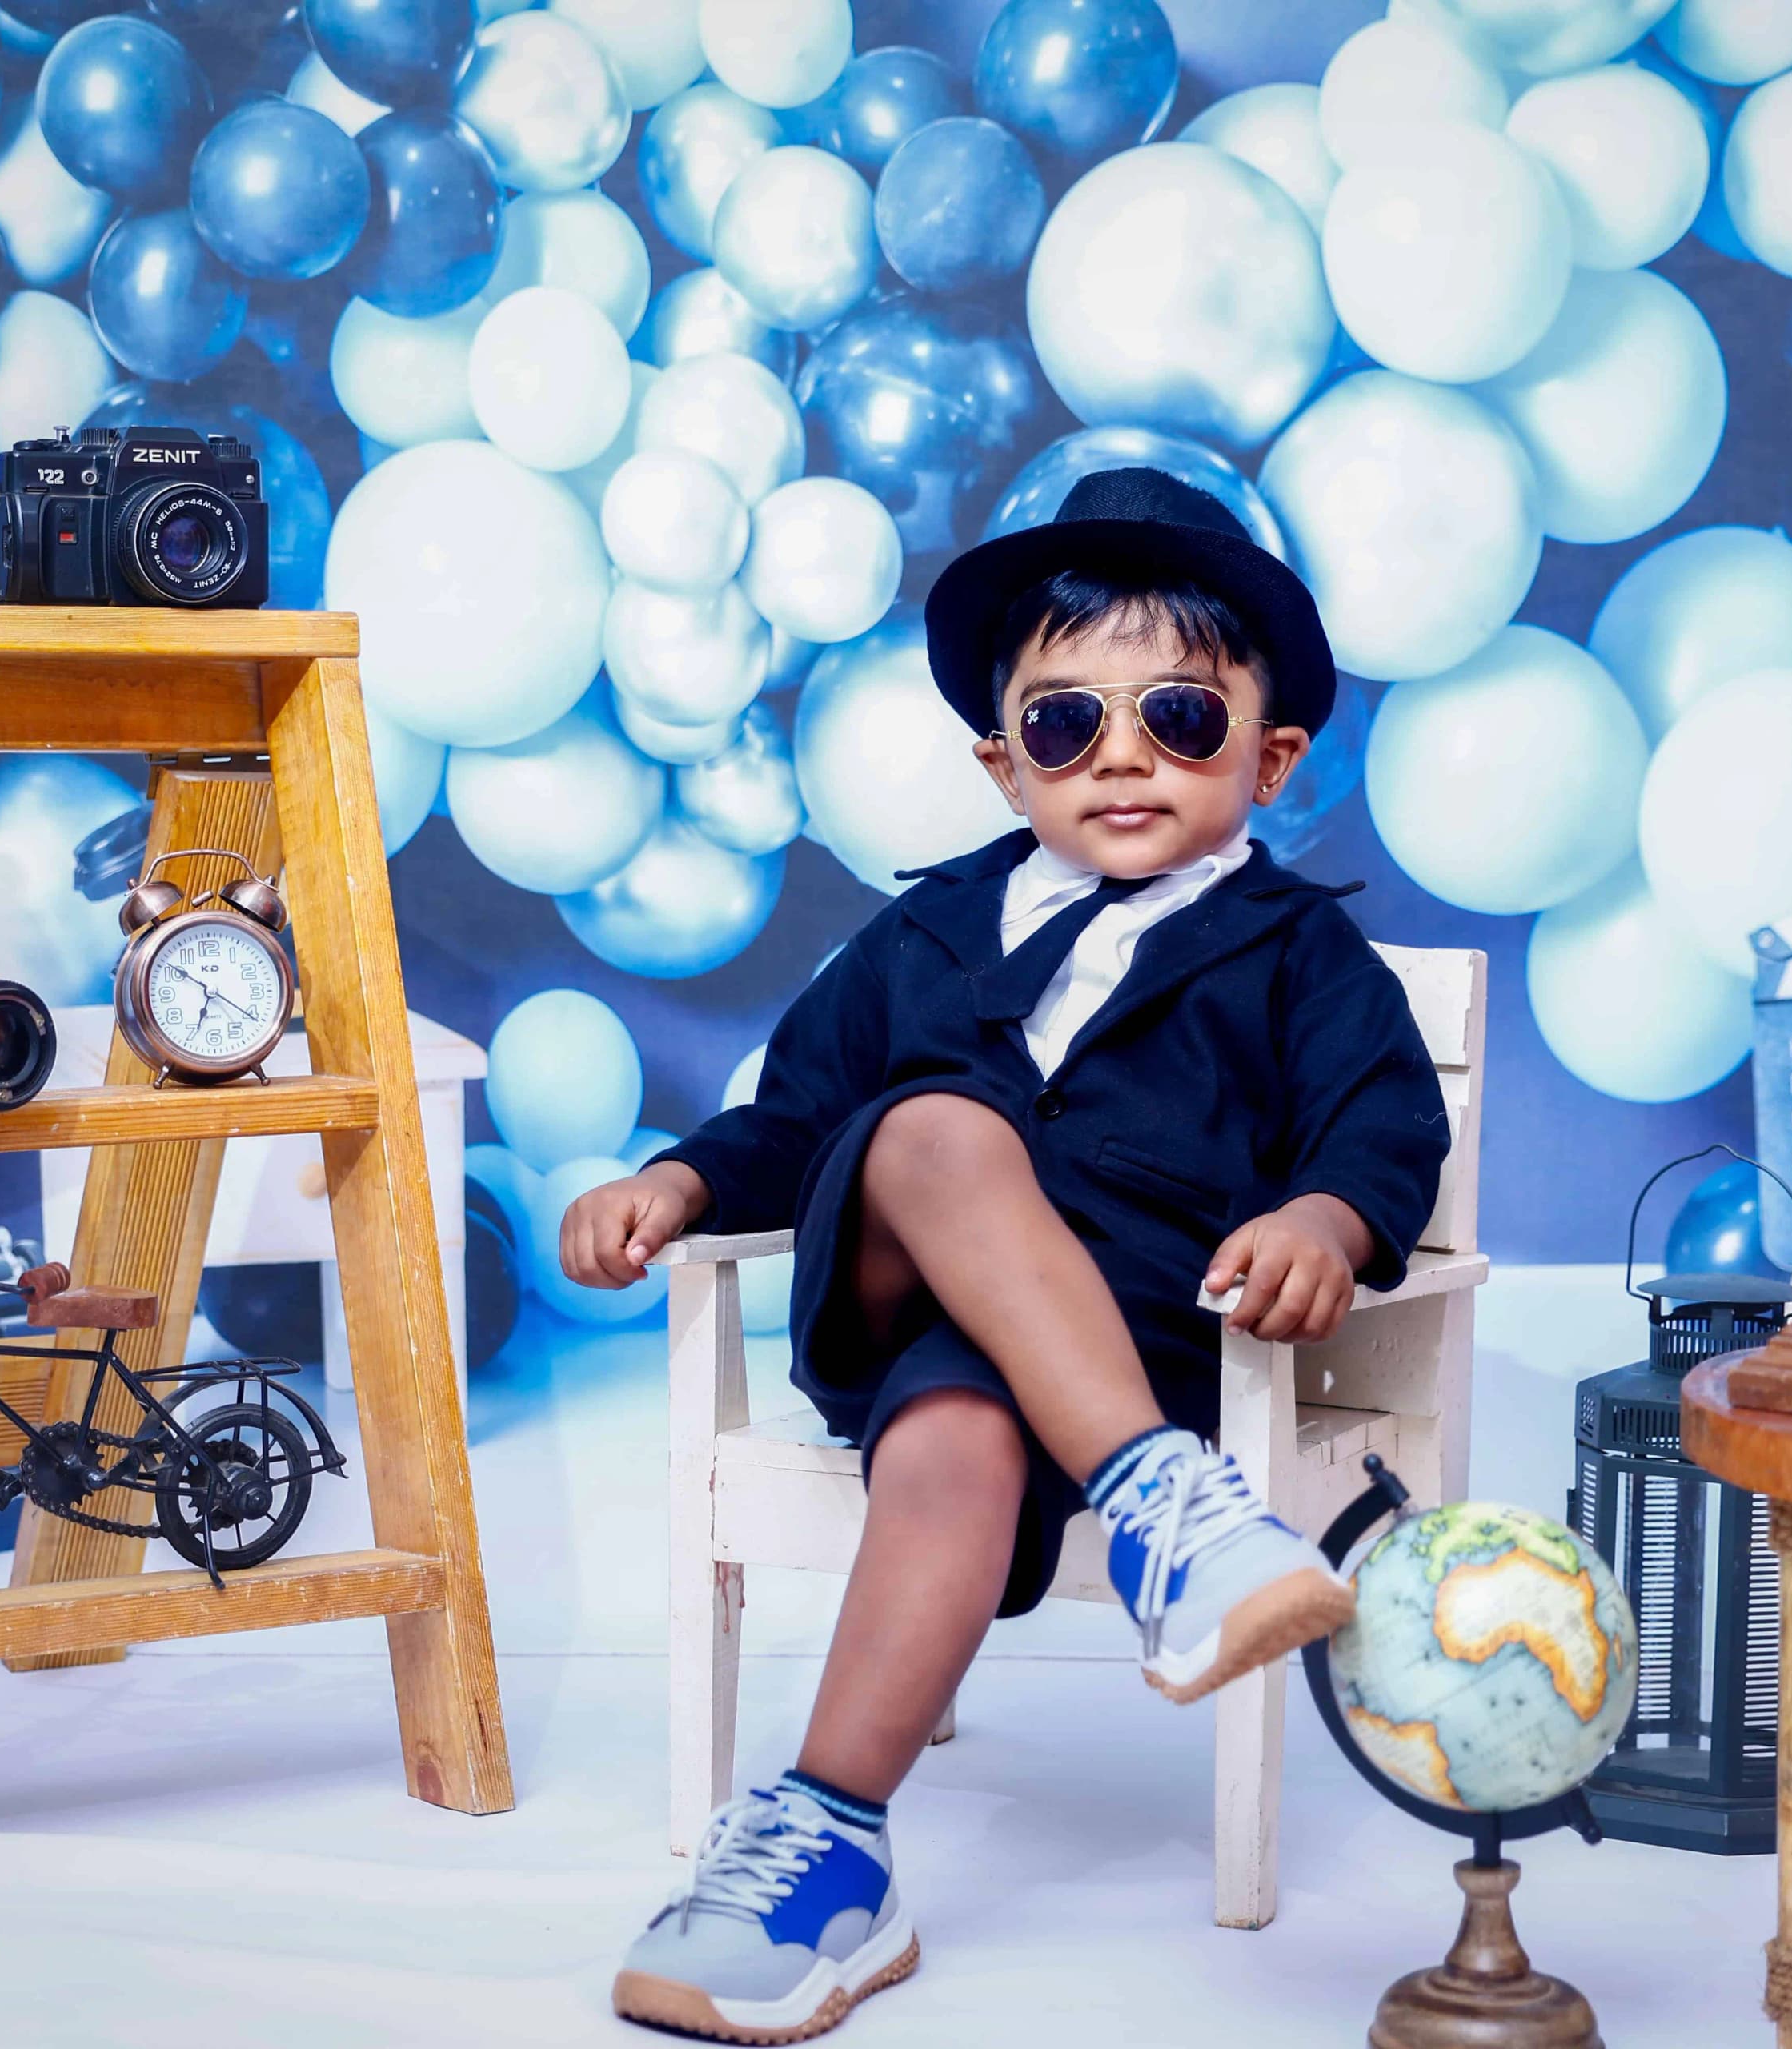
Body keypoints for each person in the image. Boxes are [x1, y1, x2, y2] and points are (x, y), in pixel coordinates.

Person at [565, 467, 1451, 2042]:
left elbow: (1379, 1131)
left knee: (961, 1439)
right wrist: (682, 1176)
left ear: (1273, 752)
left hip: (1155, 1335)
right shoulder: (922, 937)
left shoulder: (1306, 956)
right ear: (1000, 761)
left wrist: (1326, 1219)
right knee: (925, 1130)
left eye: (1179, 716)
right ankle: (1176, 1518)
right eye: (1064, 725)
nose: (1121, 755)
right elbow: (793, 1115)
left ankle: (829, 1849)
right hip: (903, 1293)